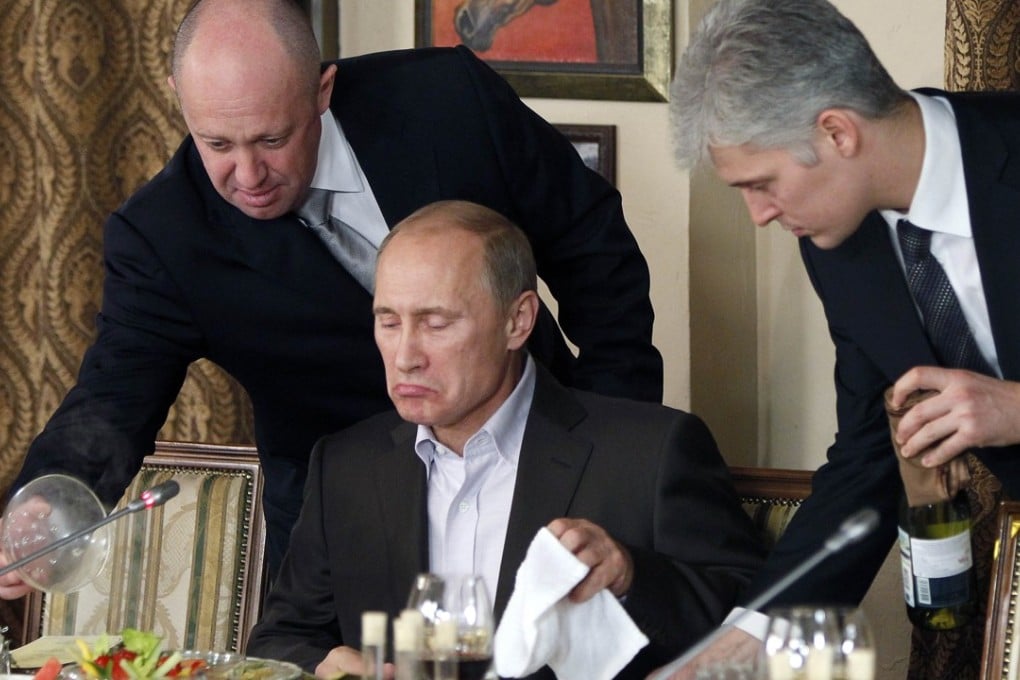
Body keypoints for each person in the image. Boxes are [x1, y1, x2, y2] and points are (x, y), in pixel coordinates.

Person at [0, 0, 664, 596]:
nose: (248, 176)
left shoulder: (446, 100)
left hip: (540, 475)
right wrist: (48, 508)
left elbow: (594, 249)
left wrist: (612, 439)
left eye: (272, 139)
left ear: (321, 90)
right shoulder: (162, 238)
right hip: (345, 538)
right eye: (217, 145)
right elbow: (111, 402)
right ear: (178, 98)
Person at [245, 200, 766, 680]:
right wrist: (329, 663)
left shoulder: (651, 452)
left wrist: (630, 575)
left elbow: (755, 616)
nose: (405, 355)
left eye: (436, 323)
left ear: (518, 321)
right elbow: (281, 638)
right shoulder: (346, 465)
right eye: (388, 322)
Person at [662, 0, 1020, 677]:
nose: (759, 215)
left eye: (762, 184)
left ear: (837, 132)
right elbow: (865, 461)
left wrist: (1014, 409)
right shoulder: (839, 244)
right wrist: (733, 650)